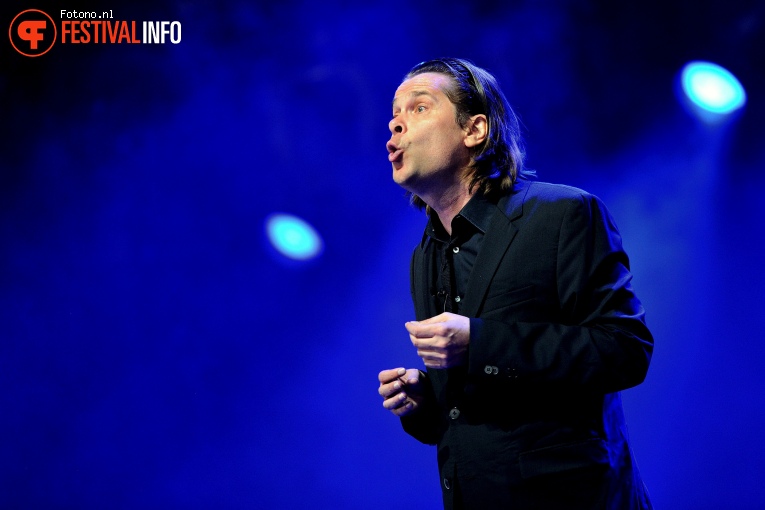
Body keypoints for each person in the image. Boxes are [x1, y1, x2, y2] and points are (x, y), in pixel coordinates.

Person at [377, 58, 654, 509]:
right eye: (394, 112)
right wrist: (424, 399)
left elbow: (625, 350)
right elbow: (464, 414)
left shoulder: (563, 213)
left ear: (475, 130)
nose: (395, 122)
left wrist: (480, 344)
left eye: (419, 107)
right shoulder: (424, 255)